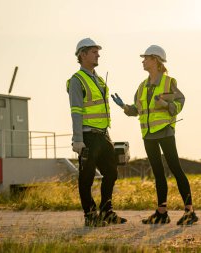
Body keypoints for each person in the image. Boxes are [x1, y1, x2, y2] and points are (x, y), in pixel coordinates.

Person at [111, 45, 198, 225]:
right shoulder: (142, 86)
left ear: (155, 60)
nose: (143, 61)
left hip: (165, 131)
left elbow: (180, 103)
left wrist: (166, 106)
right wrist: (124, 107)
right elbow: (137, 110)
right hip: (148, 133)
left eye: (146, 58)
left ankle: (190, 211)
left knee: (175, 169)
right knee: (157, 173)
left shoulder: (168, 82)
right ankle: (161, 212)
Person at [66, 38, 127, 226]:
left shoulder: (99, 79)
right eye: (94, 51)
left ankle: (106, 211)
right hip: (87, 136)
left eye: (97, 51)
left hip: (103, 135)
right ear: (82, 55)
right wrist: (77, 139)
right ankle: (90, 215)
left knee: (111, 172)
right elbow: (76, 111)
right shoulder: (77, 81)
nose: (98, 54)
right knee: (87, 177)